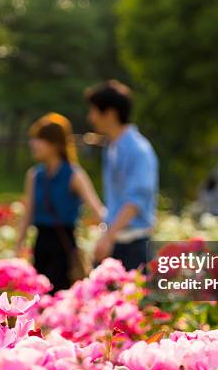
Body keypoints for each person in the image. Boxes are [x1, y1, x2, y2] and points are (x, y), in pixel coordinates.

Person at [16, 113, 105, 292]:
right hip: (40, 244)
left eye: (39, 139)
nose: (33, 144)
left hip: (64, 246)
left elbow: (97, 210)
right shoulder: (35, 175)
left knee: (61, 295)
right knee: (40, 296)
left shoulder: (74, 175)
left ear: (55, 144)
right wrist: (18, 247)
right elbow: (28, 213)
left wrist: (106, 238)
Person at [85, 80, 158, 271]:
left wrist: (108, 237)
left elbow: (136, 202)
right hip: (115, 241)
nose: (90, 118)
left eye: (93, 111)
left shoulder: (138, 149)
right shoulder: (112, 147)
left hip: (133, 246)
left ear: (109, 113)